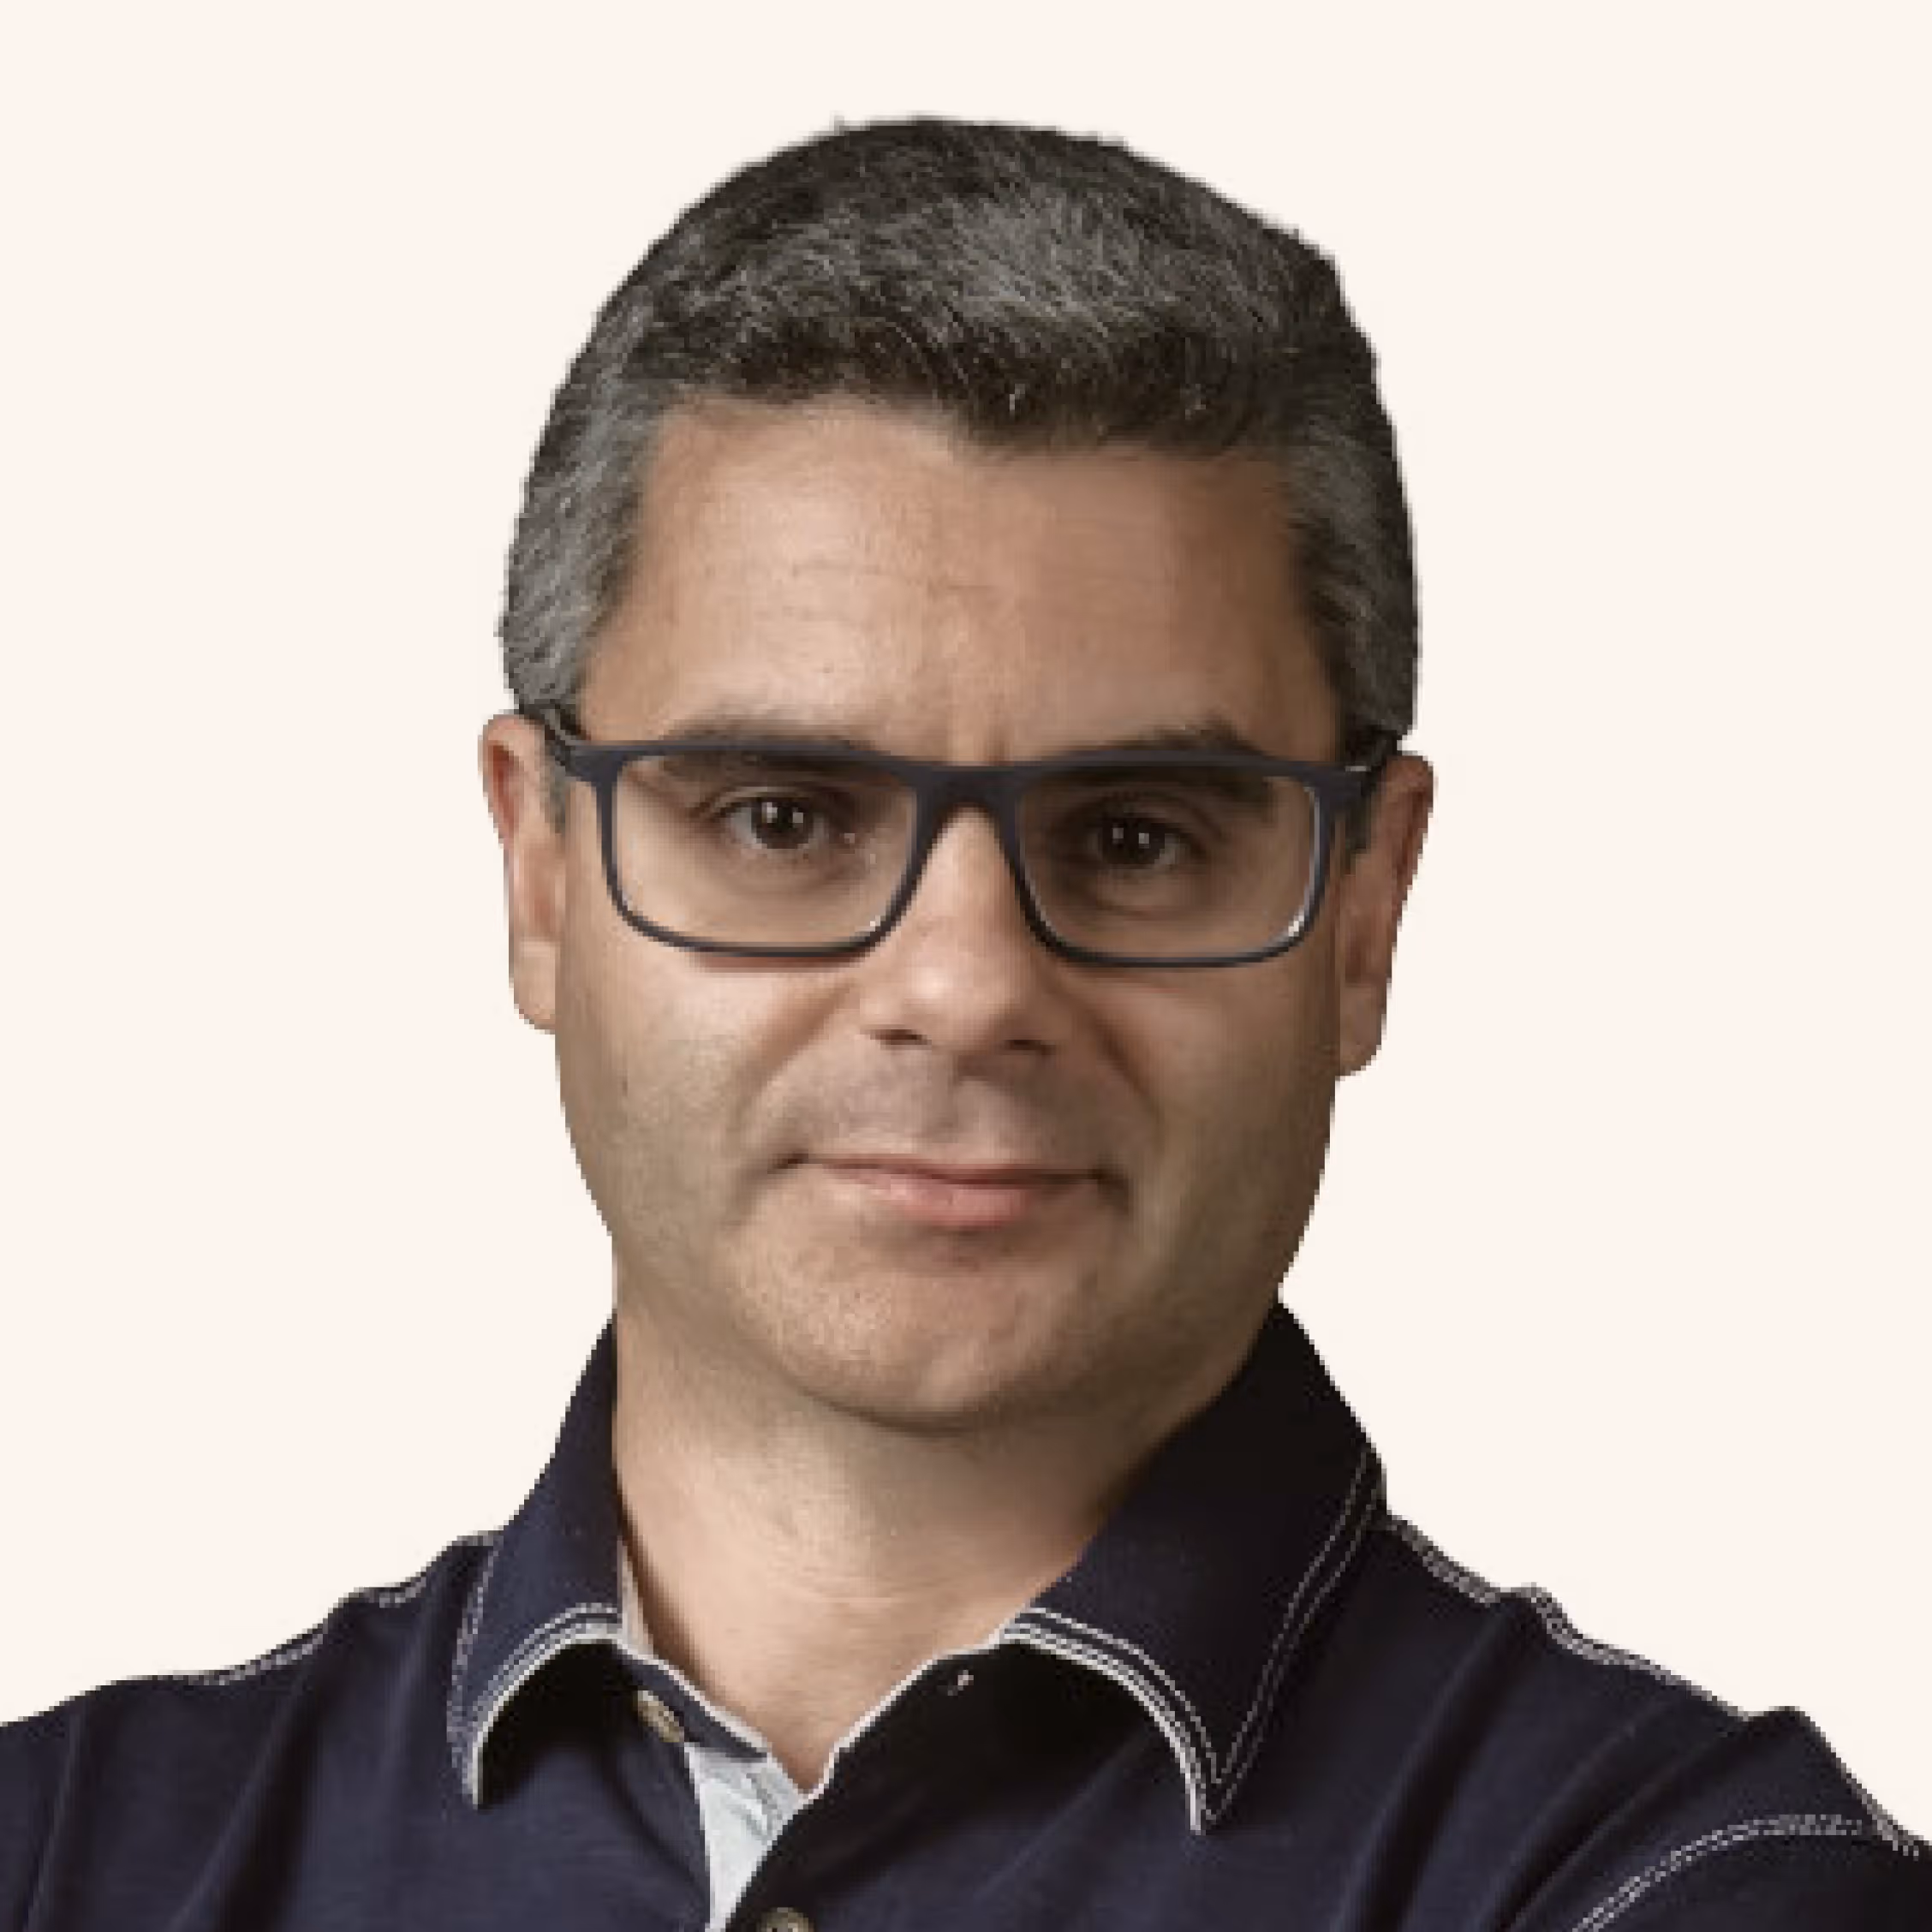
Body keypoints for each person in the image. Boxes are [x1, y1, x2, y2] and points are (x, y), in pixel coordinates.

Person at [3, 116, 1925, 1932]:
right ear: (540, 873)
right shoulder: (60, 1854)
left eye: (1142, 835)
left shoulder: (1687, 1885)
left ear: (1365, 912)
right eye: (781, 816)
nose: (965, 987)